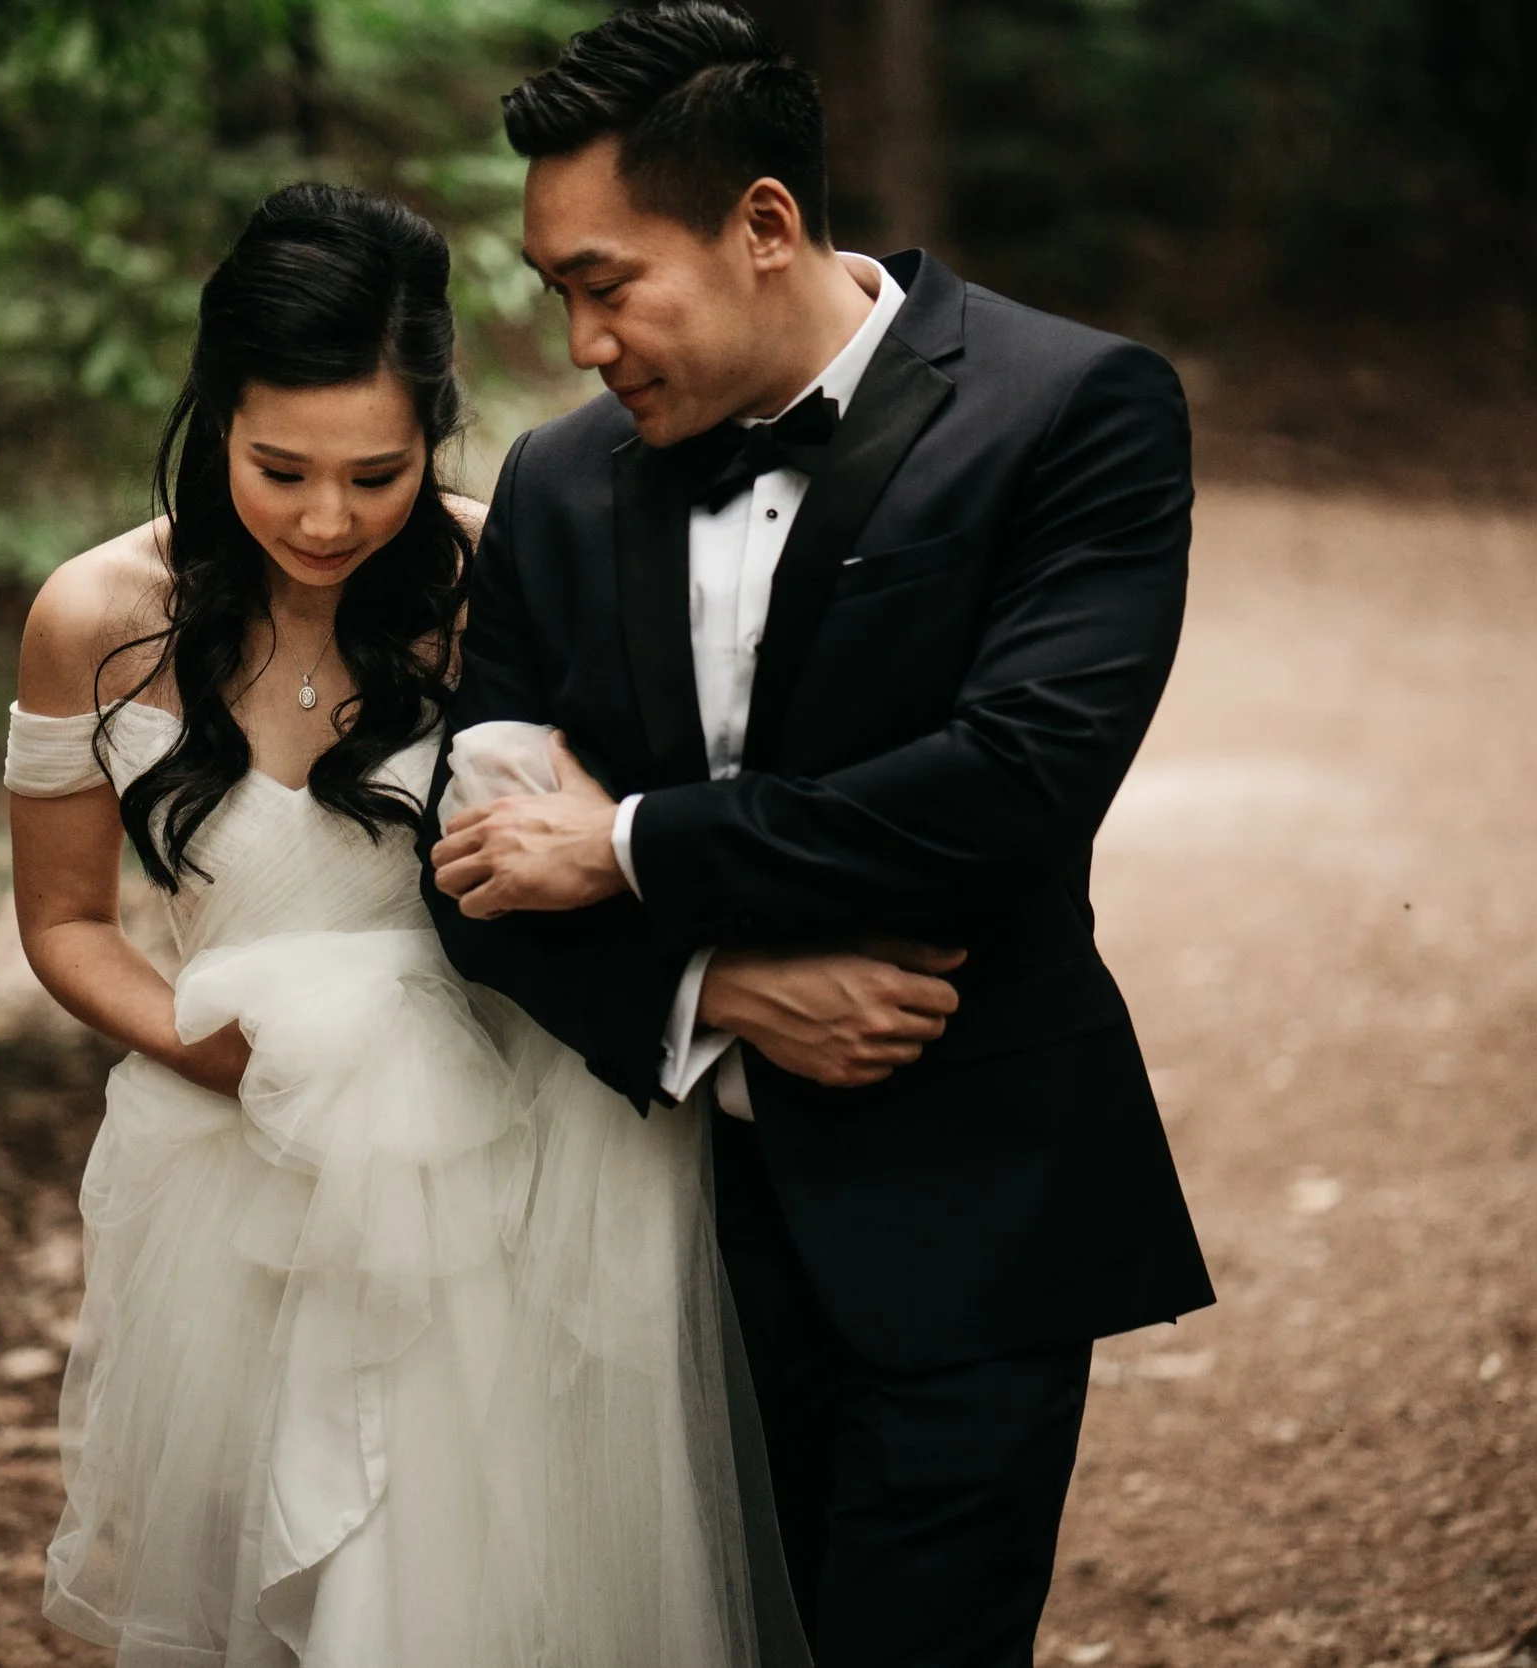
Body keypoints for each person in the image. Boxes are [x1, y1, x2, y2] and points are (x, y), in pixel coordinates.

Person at [423, 7, 1218, 1665]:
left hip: (974, 1204)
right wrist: (709, 989)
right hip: (657, 1241)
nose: (578, 342)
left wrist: (632, 846)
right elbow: (478, 875)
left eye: (604, 281)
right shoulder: (560, 489)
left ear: (766, 224)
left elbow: (1013, 784)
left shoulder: (1075, 409)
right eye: (553, 290)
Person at [8, 182, 783, 1668]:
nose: (324, 518)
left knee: (476, 1580)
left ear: (436, 432)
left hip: (510, 1162)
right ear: (211, 414)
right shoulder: (91, 615)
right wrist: (238, 1060)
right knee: (273, 1576)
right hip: (242, 1167)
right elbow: (64, 925)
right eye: (277, 467)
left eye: (377, 474)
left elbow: (612, 844)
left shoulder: (509, 577)